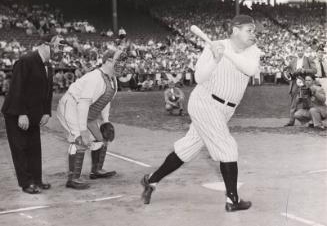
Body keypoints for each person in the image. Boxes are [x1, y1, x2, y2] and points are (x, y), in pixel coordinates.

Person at [141, 15, 261, 212]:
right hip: (205, 102)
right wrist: (215, 59)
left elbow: (250, 69)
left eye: (254, 30)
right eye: (249, 30)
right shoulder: (214, 46)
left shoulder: (253, 50)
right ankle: (233, 200)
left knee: (187, 149)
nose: (253, 34)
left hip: (226, 109)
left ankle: (151, 181)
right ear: (235, 30)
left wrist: (227, 54)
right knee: (228, 147)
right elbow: (199, 77)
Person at [1, 35, 64, 194]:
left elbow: (48, 91)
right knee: (20, 148)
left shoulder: (48, 65)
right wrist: (21, 113)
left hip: (34, 113)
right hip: (17, 112)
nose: (59, 50)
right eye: (56, 46)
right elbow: (17, 88)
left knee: (35, 148)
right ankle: (26, 183)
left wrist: (46, 112)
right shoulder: (26, 60)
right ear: (44, 45)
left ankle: (37, 180)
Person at [56, 48, 124, 189]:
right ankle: (73, 178)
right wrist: (83, 130)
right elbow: (83, 103)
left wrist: (105, 121)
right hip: (71, 105)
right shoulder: (95, 77)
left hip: (87, 111)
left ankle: (96, 170)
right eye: (119, 61)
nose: (122, 64)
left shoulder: (112, 80)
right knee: (79, 139)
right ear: (109, 61)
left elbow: (106, 100)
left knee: (101, 138)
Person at [284, 45, 317, 126]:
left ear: (304, 50)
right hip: (295, 83)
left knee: (308, 103)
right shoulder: (293, 61)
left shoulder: (308, 59)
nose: (300, 52)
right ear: (296, 51)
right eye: (298, 50)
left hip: (306, 84)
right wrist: (289, 74)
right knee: (293, 103)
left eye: (301, 50)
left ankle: (312, 121)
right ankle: (291, 121)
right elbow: (288, 72)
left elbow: (315, 70)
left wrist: (304, 70)